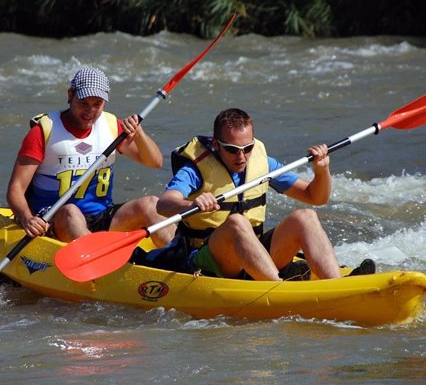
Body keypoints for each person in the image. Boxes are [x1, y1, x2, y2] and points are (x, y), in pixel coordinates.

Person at [137, 107, 374, 281]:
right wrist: (190, 203)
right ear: (216, 145)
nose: (241, 157)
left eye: (247, 148)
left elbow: (316, 197)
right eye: (232, 150)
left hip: (253, 255)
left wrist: (322, 171)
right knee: (237, 223)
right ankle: (277, 290)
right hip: (209, 259)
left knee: (305, 216)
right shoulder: (196, 168)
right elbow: (164, 204)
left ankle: (336, 287)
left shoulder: (262, 163)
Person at [6, 67, 174, 247]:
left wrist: (139, 134)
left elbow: (155, 162)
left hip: (100, 216)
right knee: (71, 211)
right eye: (83, 102)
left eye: (97, 104)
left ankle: (179, 259)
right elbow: (15, 189)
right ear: (70, 95)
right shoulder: (43, 132)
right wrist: (27, 219)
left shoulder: (111, 126)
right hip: (54, 221)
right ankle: (97, 263)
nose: (90, 111)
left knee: (150, 204)